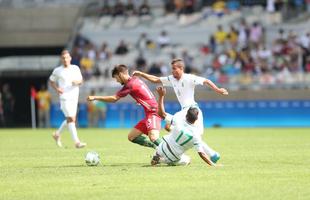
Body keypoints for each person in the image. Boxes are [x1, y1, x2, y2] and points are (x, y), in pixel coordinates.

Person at [133, 58, 229, 163]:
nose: (172, 71)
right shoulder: (172, 79)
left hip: (192, 109)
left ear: (181, 68)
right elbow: (155, 79)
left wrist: (218, 90)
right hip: (184, 112)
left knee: (192, 134)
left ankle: (166, 154)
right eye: (172, 69)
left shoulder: (189, 78)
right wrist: (141, 74)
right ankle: (212, 154)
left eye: (174, 69)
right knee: (172, 128)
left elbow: (206, 80)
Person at [87, 64, 162, 149]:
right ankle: (158, 149)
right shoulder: (135, 79)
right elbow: (143, 93)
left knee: (153, 137)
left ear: (120, 74)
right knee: (132, 136)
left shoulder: (129, 85)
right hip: (150, 112)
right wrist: (139, 100)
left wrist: (95, 97)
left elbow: (114, 98)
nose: (117, 81)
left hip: (153, 112)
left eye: (116, 78)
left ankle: (172, 152)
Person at [151, 87, 218, 166]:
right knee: (188, 160)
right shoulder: (196, 134)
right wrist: (213, 165)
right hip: (173, 156)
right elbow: (201, 153)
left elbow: (161, 114)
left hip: (161, 147)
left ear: (186, 115)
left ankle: (157, 156)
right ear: (196, 119)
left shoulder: (177, 119)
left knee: (164, 148)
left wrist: (161, 96)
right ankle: (162, 160)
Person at [49, 50, 86, 148]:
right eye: (63, 58)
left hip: (74, 96)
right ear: (61, 59)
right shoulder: (57, 70)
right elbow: (51, 81)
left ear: (70, 58)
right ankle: (77, 142)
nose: (65, 59)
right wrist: (57, 89)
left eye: (67, 57)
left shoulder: (75, 68)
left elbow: (81, 81)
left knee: (71, 119)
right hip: (64, 97)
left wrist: (76, 82)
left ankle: (57, 134)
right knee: (71, 118)